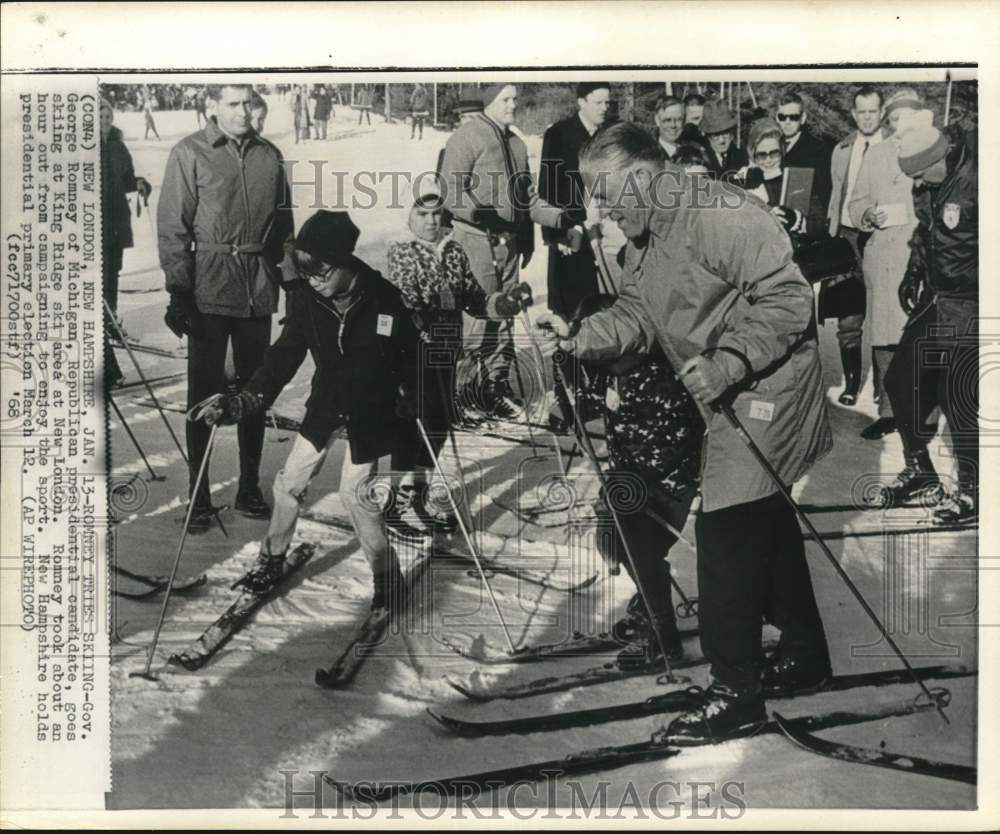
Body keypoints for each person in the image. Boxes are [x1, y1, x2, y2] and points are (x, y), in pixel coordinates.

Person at [538, 122, 832, 744]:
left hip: (770, 384)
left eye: (608, 192)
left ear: (643, 176)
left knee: (725, 526)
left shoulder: (720, 213)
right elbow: (639, 315)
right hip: (725, 384)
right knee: (765, 518)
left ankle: (735, 693)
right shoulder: (642, 241)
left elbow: (789, 299)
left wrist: (729, 361)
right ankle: (805, 653)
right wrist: (578, 335)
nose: (603, 208)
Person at [202, 211, 420, 610]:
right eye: (308, 274)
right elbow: (282, 358)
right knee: (288, 484)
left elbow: (411, 355)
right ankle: (271, 557)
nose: (314, 281)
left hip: (370, 411)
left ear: (345, 261)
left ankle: (386, 576)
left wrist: (412, 392)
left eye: (321, 272)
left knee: (355, 496)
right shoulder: (306, 300)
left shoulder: (383, 299)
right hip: (326, 405)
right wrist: (246, 399)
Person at [158, 83, 295, 533]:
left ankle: (249, 485)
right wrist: (180, 291)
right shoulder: (190, 152)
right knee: (205, 391)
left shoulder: (269, 156)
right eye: (233, 104)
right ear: (213, 107)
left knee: (253, 390)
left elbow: (285, 227)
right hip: (209, 288)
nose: (243, 112)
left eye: (249, 104)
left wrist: (292, 282)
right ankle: (198, 493)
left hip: (257, 288)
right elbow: (173, 227)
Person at [385, 193, 534, 531]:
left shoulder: (453, 251)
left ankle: (417, 490)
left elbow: (475, 298)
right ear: (410, 216)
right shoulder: (402, 252)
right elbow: (404, 301)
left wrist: (505, 304)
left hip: (447, 349)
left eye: (437, 214)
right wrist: (422, 319)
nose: (431, 221)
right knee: (415, 423)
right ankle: (395, 501)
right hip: (415, 350)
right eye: (422, 214)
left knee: (439, 422)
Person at [438, 82, 574, 421]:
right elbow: (448, 188)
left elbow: (526, 197)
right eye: (506, 99)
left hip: (508, 245)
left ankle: (494, 387)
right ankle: (465, 391)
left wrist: (558, 216)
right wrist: (475, 211)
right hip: (474, 241)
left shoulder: (516, 142)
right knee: (478, 317)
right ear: (490, 102)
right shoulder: (466, 137)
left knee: (506, 315)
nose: (513, 104)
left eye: (515, 98)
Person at [879, 111, 978, 524]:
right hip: (937, 299)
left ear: (940, 158)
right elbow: (926, 231)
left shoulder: (978, 181)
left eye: (920, 175)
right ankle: (921, 470)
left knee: (960, 398)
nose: (917, 185)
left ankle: (975, 493)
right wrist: (914, 271)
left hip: (972, 301)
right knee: (901, 381)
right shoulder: (929, 180)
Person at [847, 88, 922, 440]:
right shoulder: (876, 156)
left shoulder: (933, 152)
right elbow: (856, 200)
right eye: (892, 120)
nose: (898, 126)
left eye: (905, 118)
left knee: (919, 335)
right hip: (883, 256)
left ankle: (925, 412)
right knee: (884, 337)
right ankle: (889, 411)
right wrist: (867, 214)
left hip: (919, 256)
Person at [539, 81, 613, 432]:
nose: (604, 108)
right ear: (581, 101)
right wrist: (557, 233)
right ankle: (565, 399)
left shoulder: (610, 135)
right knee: (566, 316)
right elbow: (546, 189)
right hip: (569, 238)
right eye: (598, 101)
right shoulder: (560, 134)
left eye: (607, 102)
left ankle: (594, 398)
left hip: (605, 232)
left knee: (599, 312)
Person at [825, 85, 887, 407]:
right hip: (847, 240)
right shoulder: (842, 149)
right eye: (861, 111)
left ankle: (881, 387)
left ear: (882, 113)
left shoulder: (893, 148)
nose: (866, 117)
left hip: (880, 239)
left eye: (872, 111)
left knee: (881, 315)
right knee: (848, 318)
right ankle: (851, 384)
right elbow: (836, 195)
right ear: (853, 114)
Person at [100, 97, 152, 388]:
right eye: (99, 116)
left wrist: (141, 185)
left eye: (108, 115)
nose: (105, 120)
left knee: (109, 299)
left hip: (116, 233)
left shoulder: (118, 146)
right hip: (94, 234)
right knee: (99, 303)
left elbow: (129, 181)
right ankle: (108, 367)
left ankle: (108, 358)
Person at [700, 100, 749, 179]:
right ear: (708, 137)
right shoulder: (701, 160)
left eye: (725, 134)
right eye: (715, 136)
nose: (722, 140)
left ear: (732, 134)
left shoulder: (742, 157)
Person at [652, 94, 686, 160]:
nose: (673, 125)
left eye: (678, 119)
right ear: (657, 120)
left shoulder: (696, 152)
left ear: (684, 121)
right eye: (667, 120)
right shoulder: (648, 156)